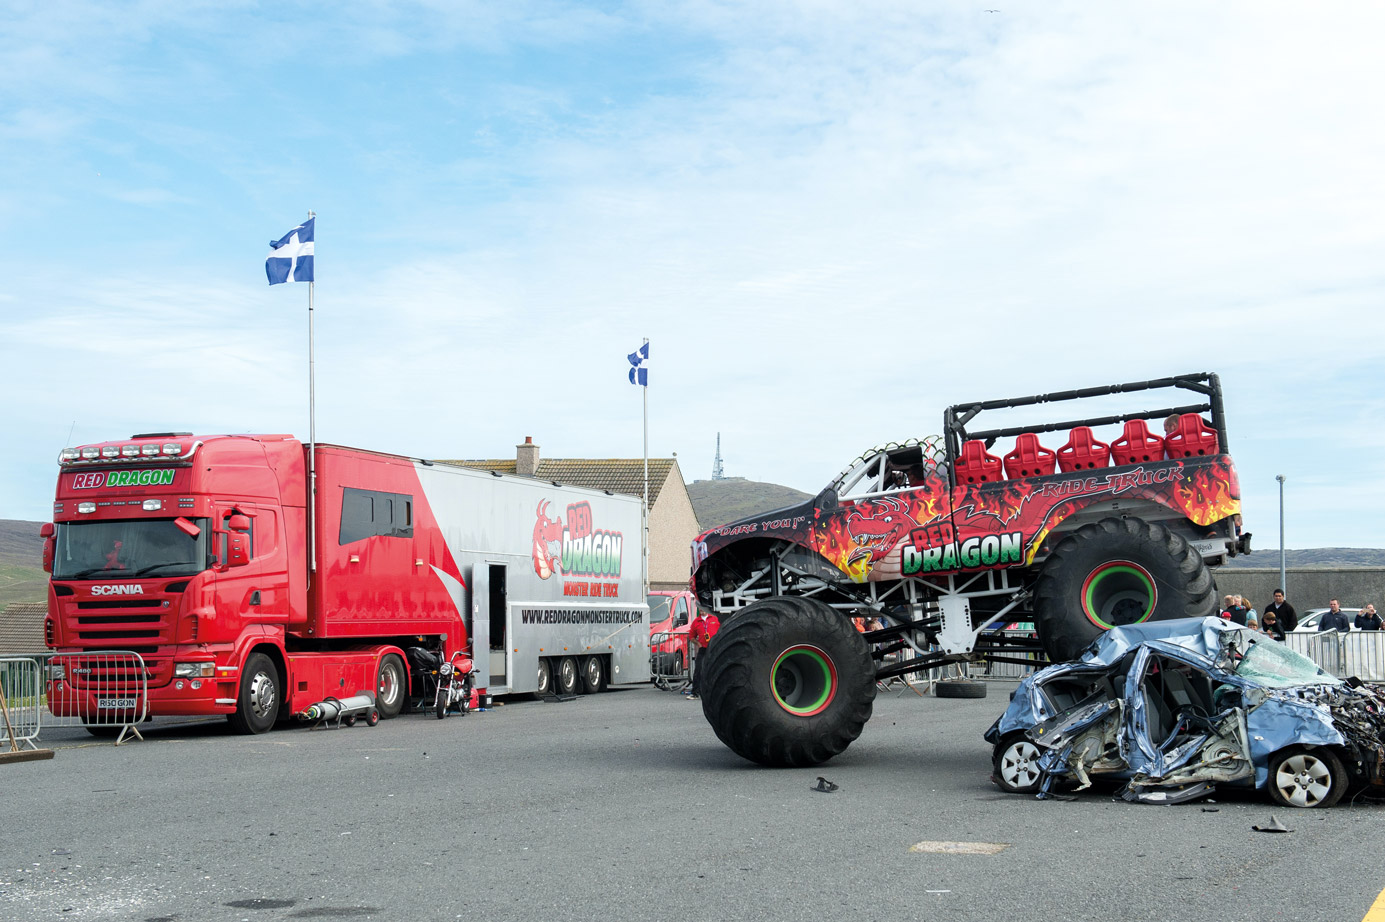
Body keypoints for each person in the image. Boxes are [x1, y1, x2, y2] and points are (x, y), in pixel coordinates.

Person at [685, 609, 721, 699]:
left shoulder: (715, 619)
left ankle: (716, 692)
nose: (702, 611)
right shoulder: (696, 622)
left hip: (714, 648)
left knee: (716, 669)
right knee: (698, 670)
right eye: (700, 609)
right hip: (703, 648)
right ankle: (695, 692)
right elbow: (691, 636)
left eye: (703, 609)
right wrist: (698, 643)